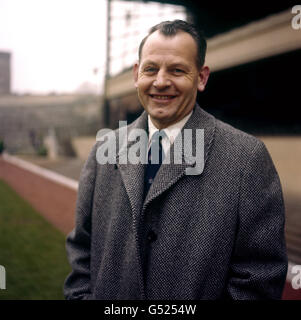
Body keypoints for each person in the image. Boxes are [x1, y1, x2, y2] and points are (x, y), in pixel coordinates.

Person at [64, 20, 287, 300]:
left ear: (202, 77)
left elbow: (260, 275)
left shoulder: (246, 158)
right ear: (136, 74)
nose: (160, 81)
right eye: (151, 69)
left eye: (177, 70)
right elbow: (82, 248)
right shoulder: (104, 149)